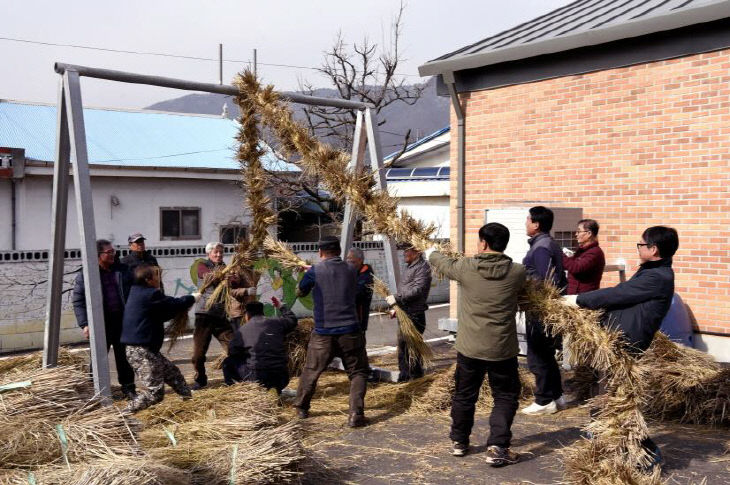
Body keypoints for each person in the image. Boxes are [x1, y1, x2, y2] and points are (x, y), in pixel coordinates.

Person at [563, 226, 679, 469]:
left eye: (640, 244)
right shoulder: (652, 271)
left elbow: (618, 294)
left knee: (614, 400)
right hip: (617, 342)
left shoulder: (658, 277)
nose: (637, 247)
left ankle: (646, 453)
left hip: (627, 345)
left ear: (653, 249)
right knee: (605, 395)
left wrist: (577, 300)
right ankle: (602, 440)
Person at [429, 223, 526, 466]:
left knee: (464, 394)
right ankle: (497, 446)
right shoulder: (517, 272)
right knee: (505, 396)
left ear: (483, 243)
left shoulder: (466, 268)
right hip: (501, 348)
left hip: (470, 347)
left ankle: (460, 442)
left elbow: (441, 263)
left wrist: (431, 251)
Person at [293, 236, 370, 427]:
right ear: (339, 250)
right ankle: (355, 415)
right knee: (358, 372)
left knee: (312, 370)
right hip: (351, 330)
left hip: (323, 331)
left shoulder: (315, 271)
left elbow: (299, 292)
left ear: (320, 252)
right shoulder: (352, 269)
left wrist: (308, 274)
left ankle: (301, 408)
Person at [121, 264, 199, 412]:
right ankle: (123, 415)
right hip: (141, 352)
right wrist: (191, 298)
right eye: (156, 275)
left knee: (173, 374)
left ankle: (190, 405)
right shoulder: (150, 294)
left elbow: (163, 314)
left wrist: (182, 307)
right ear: (148, 279)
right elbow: (171, 304)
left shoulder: (137, 292)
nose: (159, 278)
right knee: (155, 394)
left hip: (146, 349)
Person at [72, 239, 136, 400]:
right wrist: (85, 324)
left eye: (113, 251)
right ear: (98, 255)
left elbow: (135, 292)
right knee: (98, 359)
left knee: (124, 357)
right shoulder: (86, 275)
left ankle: (129, 388)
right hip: (99, 324)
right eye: (109, 252)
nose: (113, 254)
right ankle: (96, 391)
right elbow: (78, 301)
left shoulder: (124, 270)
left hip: (122, 321)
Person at [522, 206, 567, 415]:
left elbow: (546, 281)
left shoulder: (541, 248)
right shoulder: (547, 244)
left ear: (536, 224)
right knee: (547, 353)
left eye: (528, 220)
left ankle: (543, 400)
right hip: (545, 308)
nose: (526, 224)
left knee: (538, 354)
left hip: (541, 309)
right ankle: (557, 395)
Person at [222, 298, 298, 393]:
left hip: (258, 377)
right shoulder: (277, 322)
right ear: (263, 312)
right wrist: (281, 306)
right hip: (282, 377)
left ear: (247, 315)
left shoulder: (243, 330)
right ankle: (274, 388)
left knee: (227, 362)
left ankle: (237, 393)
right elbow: (292, 319)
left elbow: (232, 352)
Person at [385, 245, 432, 382]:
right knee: (406, 346)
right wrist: (396, 307)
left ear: (417, 252)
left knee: (410, 347)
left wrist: (397, 298)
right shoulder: (411, 266)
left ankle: (410, 377)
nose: (404, 253)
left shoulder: (423, 268)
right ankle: (410, 376)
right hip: (405, 312)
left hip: (414, 314)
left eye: (407, 251)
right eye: (404, 250)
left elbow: (418, 289)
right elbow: (406, 289)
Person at [191, 242, 230, 389]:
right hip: (204, 316)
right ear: (209, 254)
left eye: (221, 252)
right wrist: (225, 275)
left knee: (234, 348)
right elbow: (208, 277)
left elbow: (234, 281)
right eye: (216, 252)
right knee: (198, 355)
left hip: (220, 315)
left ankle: (232, 377)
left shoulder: (226, 267)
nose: (219, 255)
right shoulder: (202, 266)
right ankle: (200, 379)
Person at [562, 219, 605, 295]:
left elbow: (576, 268)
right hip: (575, 296)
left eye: (579, 231)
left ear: (589, 233)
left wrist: (559, 254)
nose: (576, 234)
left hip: (585, 299)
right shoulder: (582, 251)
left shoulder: (595, 252)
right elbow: (569, 264)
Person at [346, 247, 374, 333]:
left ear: (360, 260)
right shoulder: (351, 272)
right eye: (348, 259)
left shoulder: (366, 276)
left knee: (358, 341)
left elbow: (357, 294)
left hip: (359, 317)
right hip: (347, 318)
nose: (349, 262)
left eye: (352, 260)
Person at [225, 266, 259, 330]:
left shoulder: (252, 270)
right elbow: (231, 291)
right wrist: (246, 291)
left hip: (250, 310)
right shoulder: (235, 270)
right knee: (241, 336)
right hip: (239, 312)